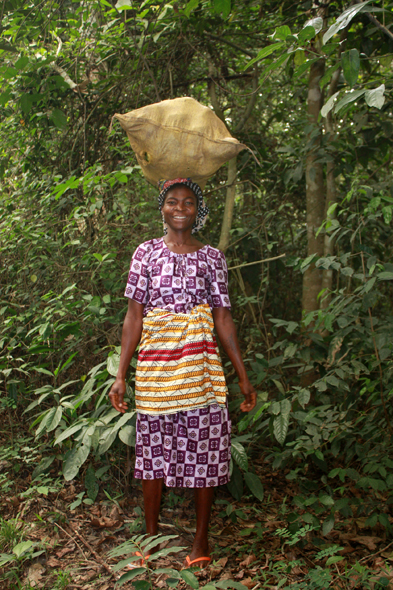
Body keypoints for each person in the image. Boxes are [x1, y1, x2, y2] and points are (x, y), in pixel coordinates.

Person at [108, 177, 257, 569]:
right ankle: (151, 536)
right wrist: (121, 374)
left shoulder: (212, 258)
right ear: (162, 208)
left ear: (198, 211)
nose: (179, 208)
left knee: (204, 451)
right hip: (157, 368)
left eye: (188, 202)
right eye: (172, 201)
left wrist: (241, 374)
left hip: (200, 368)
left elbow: (223, 317)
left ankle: (201, 538)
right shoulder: (145, 253)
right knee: (153, 453)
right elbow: (133, 316)